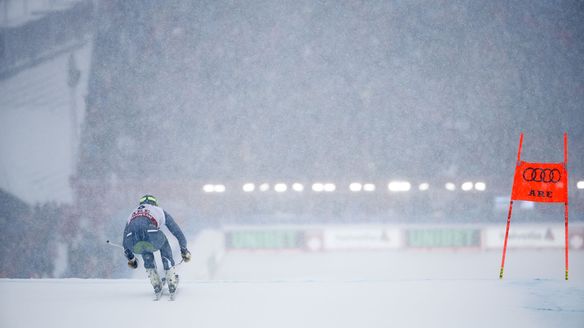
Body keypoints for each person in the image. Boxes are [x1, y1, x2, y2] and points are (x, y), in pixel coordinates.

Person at [123, 194, 191, 297]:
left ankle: (155, 281)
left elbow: (124, 241)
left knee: (144, 248)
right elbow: (177, 232)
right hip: (151, 233)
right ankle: (171, 278)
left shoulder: (132, 213)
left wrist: (131, 259)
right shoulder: (158, 210)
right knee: (164, 244)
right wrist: (184, 250)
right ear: (155, 203)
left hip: (132, 239)